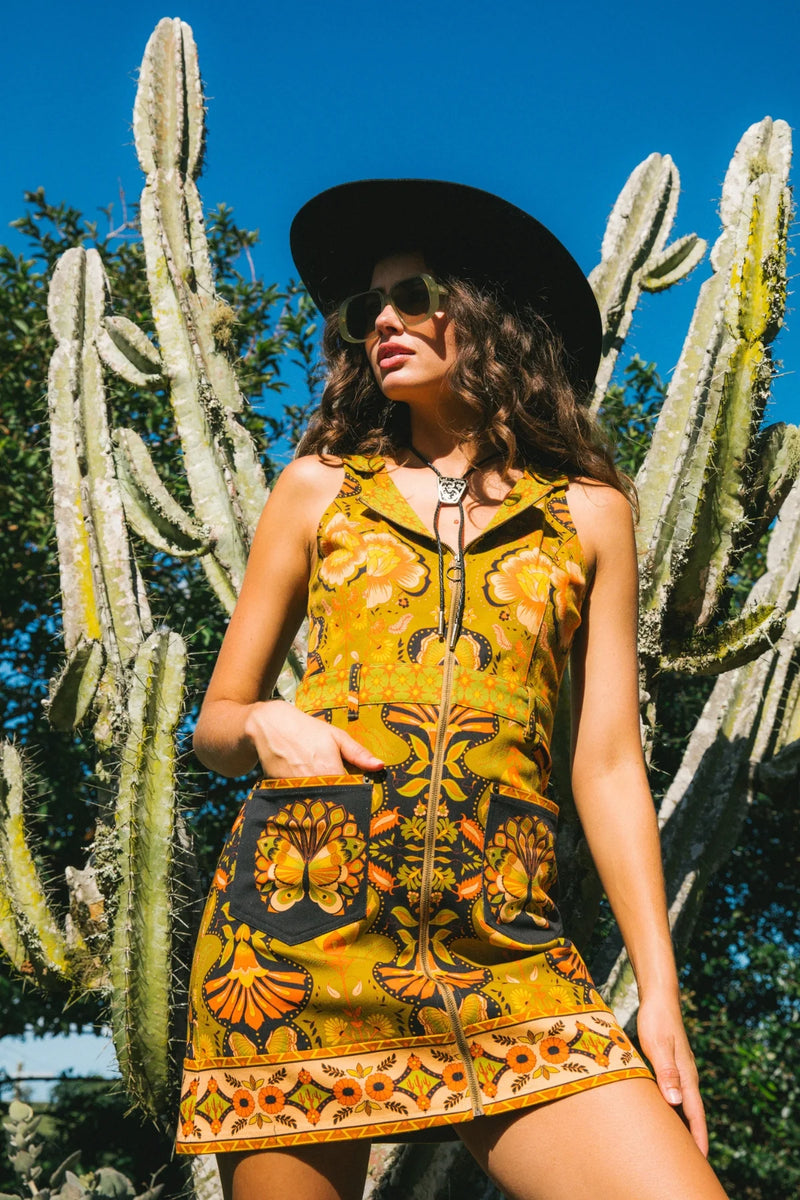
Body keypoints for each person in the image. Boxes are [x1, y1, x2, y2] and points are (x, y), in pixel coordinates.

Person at [175, 180, 728, 1200]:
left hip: (506, 943)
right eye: (364, 309)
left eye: (413, 295)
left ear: (490, 313)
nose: (381, 322)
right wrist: (265, 726)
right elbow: (213, 723)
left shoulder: (589, 514)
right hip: (299, 934)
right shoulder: (316, 490)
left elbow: (607, 763)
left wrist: (658, 994)